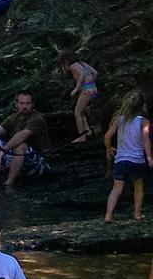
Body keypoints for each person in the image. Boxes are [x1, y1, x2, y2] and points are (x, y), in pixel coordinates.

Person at [103, 89, 151, 222]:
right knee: (138, 186)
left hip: (121, 160)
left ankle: (108, 215)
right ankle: (137, 213)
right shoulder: (143, 121)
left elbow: (107, 136)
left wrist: (109, 148)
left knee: (116, 188)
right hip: (137, 160)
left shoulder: (119, 119)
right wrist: (149, 156)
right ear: (142, 105)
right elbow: (146, 139)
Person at [0, 90, 51, 188]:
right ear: (16, 104)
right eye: (22, 103)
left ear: (32, 104)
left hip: (38, 158)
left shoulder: (36, 119)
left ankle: (9, 183)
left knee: (21, 145)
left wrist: (3, 151)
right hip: (16, 155)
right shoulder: (15, 117)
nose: (25, 106)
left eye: (28, 103)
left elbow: (22, 135)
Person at [58, 50, 99, 143]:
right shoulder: (82, 63)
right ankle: (87, 130)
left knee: (77, 112)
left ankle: (82, 136)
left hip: (86, 90)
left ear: (65, 60)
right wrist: (92, 83)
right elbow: (95, 73)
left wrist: (77, 88)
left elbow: (82, 74)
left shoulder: (73, 66)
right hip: (93, 89)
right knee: (82, 111)